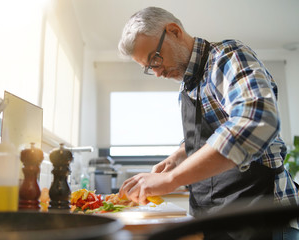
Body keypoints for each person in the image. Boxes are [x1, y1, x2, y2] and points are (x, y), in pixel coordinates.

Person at [117, 6, 299, 240]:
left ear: (174, 31)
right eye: (149, 68)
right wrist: (177, 158)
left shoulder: (228, 57)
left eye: (155, 58)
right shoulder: (187, 86)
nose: (158, 73)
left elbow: (256, 121)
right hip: (212, 219)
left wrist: (170, 180)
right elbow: (209, 134)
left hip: (261, 214)